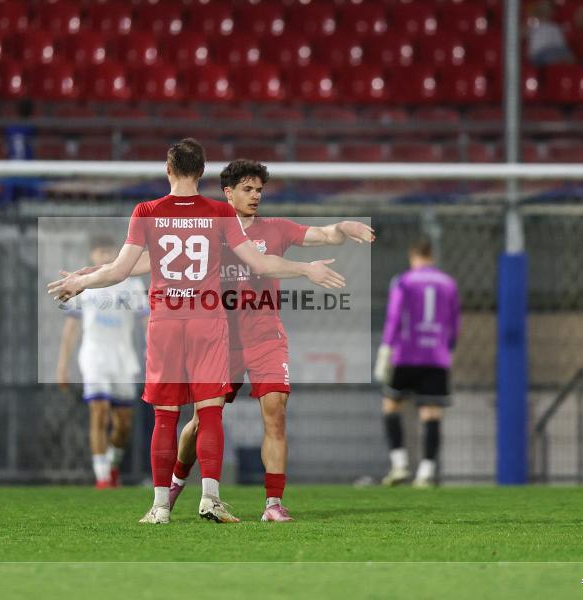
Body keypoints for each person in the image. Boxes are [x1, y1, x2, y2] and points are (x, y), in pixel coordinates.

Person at [48, 138, 345, 524]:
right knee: (209, 413)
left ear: (168, 169)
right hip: (207, 322)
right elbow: (259, 263)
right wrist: (306, 269)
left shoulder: (146, 211)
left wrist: (83, 281)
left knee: (166, 415)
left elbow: (122, 269)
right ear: (202, 172)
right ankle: (210, 499)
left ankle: (159, 507)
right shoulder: (219, 212)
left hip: (166, 322)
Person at [159, 159, 374, 522]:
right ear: (228, 193)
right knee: (199, 422)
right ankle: (176, 483)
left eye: (259, 190)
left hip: (266, 339)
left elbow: (322, 235)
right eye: (247, 189)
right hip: (220, 340)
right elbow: (154, 257)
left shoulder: (276, 228)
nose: (255, 196)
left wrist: (343, 227)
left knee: (276, 415)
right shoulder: (208, 231)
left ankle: (273, 504)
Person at [57, 235, 148, 489]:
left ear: (117, 253)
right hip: (94, 355)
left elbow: (146, 321)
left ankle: (112, 463)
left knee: (124, 422)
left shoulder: (132, 285)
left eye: (109, 251)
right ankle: (102, 477)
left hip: (122, 357)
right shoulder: (84, 285)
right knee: (99, 412)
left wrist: (152, 350)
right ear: (92, 255)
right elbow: (71, 329)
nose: (105, 255)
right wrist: (62, 365)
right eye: (100, 251)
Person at [374, 239, 460, 488]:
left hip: (406, 353)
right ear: (432, 256)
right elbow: (455, 322)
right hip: (436, 356)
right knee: (431, 412)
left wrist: (386, 348)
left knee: (391, 405)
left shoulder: (404, 281)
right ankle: (426, 472)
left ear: (413, 255)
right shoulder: (448, 283)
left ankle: (399, 464)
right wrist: (449, 348)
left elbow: (394, 316)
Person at [527, 0, 575, 67]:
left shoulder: (555, 27)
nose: (546, 9)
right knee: (554, 58)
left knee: (570, 58)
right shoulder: (533, 24)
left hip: (558, 51)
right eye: (543, 6)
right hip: (540, 53)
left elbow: (562, 46)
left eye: (548, 7)